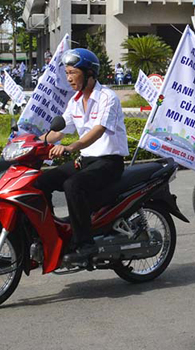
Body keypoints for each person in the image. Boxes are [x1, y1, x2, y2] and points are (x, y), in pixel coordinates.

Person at [36, 48, 129, 264]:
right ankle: (51, 233)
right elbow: (59, 130)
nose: (68, 78)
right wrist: (33, 142)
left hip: (109, 162)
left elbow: (98, 130)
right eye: (66, 73)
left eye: (73, 73)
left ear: (89, 73)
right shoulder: (75, 101)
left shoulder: (108, 98)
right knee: (40, 182)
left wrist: (72, 147)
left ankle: (85, 243)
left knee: (73, 185)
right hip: (86, 161)